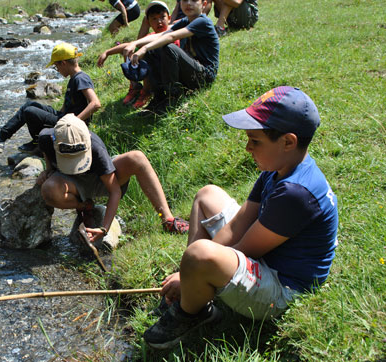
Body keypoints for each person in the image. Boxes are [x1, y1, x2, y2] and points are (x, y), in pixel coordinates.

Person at [142, 86, 339, 350]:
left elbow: (248, 248)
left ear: (288, 142)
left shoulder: (295, 193)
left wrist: (191, 270)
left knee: (200, 254)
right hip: (267, 257)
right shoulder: (279, 168)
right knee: (207, 195)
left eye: (255, 141)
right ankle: (194, 290)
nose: (247, 148)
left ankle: (192, 311)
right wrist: (188, 274)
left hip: (282, 289)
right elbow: (240, 222)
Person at [36, 114, 188, 247]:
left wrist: (104, 228)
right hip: (71, 183)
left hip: (100, 180)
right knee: (48, 189)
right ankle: (85, 207)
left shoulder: (96, 147)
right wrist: (48, 170)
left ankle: (167, 219)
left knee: (137, 158)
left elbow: (114, 190)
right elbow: (47, 154)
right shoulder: (45, 138)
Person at [122, 0, 219, 115]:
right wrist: (135, 43)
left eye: (194, 0)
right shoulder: (186, 20)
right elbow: (161, 34)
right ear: (180, 3)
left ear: (203, 4)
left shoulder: (203, 22)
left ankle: (171, 98)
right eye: (185, 0)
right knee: (153, 48)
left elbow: (171, 37)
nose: (188, 3)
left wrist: (143, 49)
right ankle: (159, 97)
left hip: (204, 76)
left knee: (168, 47)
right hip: (190, 71)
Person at [0, 43, 100, 154]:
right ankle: (0, 137)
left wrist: (74, 123)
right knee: (29, 105)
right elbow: (70, 104)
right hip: (64, 117)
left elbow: (95, 103)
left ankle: (38, 144)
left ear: (64, 63)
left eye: (56, 66)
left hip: (70, 124)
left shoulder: (81, 78)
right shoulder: (73, 78)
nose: (58, 70)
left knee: (30, 112)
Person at [97, 1, 178, 109]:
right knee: (130, 51)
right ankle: (137, 87)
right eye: (154, 18)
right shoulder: (151, 35)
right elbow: (131, 45)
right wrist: (107, 52)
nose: (159, 22)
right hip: (159, 73)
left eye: (162, 17)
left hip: (172, 75)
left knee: (145, 54)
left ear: (169, 18)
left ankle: (147, 91)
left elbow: (159, 38)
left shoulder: (172, 31)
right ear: (148, 22)